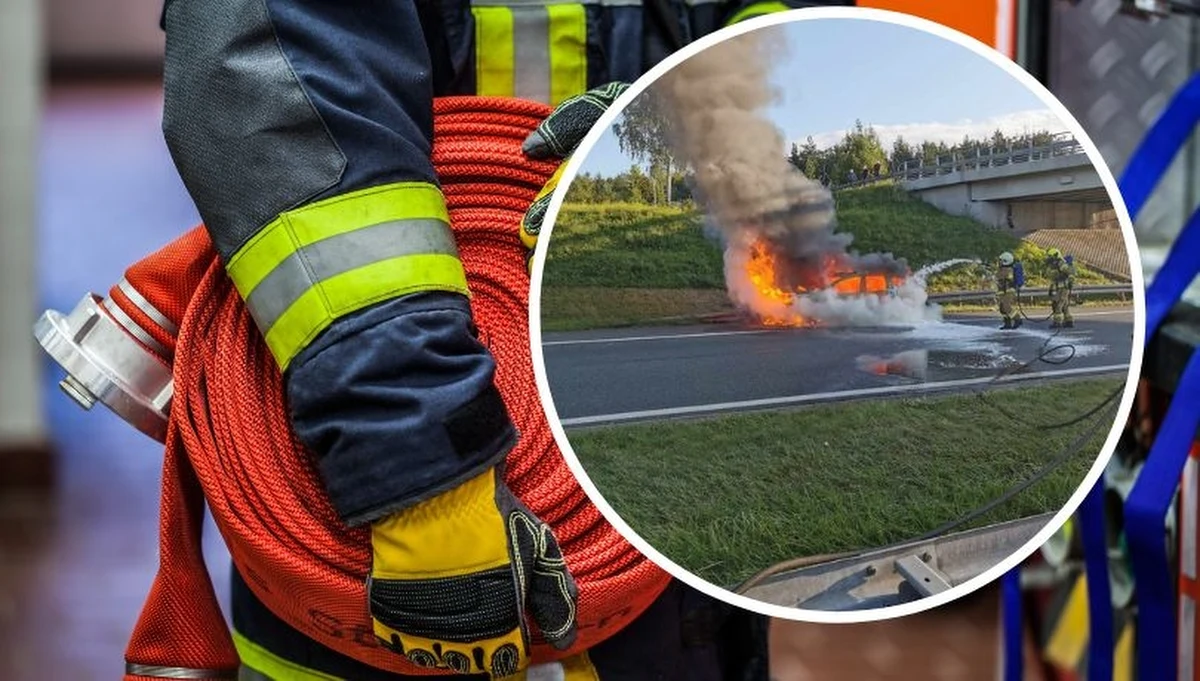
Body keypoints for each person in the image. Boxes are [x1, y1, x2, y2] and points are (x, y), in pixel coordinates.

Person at [42, 2, 864, 680]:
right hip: (372, 508)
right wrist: (422, 467)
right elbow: (276, 83)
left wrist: (691, 142)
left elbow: (778, 35)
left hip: (657, 505)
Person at [1045, 247, 1075, 329]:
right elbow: (1053, 278)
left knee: (1058, 305)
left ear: (1055, 256)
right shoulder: (1053, 266)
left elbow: (1070, 272)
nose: (1048, 258)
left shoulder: (1061, 264)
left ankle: (1057, 322)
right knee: (1064, 306)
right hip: (1058, 288)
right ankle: (1069, 321)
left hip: (1063, 288)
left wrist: (1070, 281)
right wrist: (1052, 288)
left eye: (1050, 256)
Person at [995, 251, 1022, 330]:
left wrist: (998, 272)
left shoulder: (1008, 270)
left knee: (1007, 306)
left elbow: (1003, 277)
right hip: (1002, 291)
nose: (999, 262)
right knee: (1002, 308)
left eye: (1001, 260)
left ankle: (1017, 319)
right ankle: (1007, 322)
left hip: (1008, 291)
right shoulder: (1002, 269)